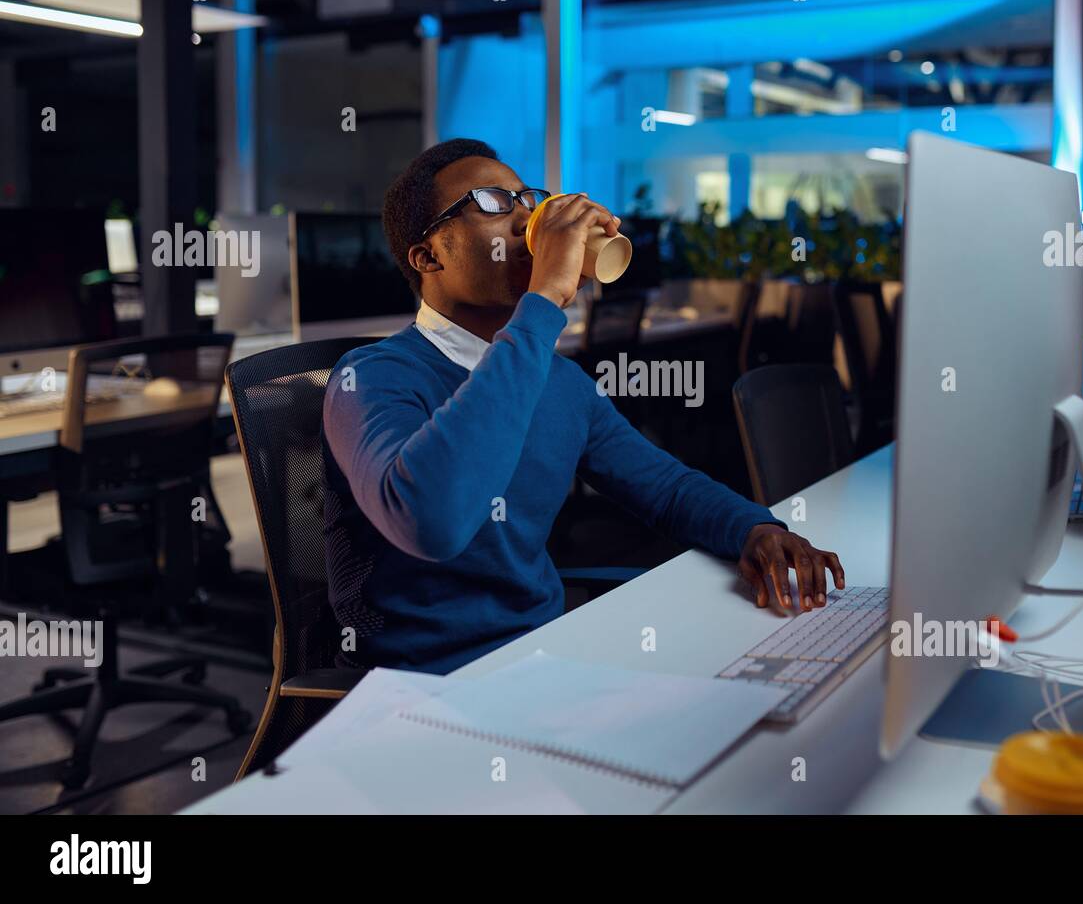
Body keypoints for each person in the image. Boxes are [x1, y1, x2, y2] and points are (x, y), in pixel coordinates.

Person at [321, 138, 845, 673]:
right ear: (428, 255)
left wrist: (756, 530)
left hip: (544, 660)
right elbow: (433, 523)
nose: (526, 216)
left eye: (527, 199)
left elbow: (665, 489)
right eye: (492, 202)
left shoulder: (559, 381)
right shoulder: (371, 377)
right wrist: (544, 299)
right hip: (424, 690)